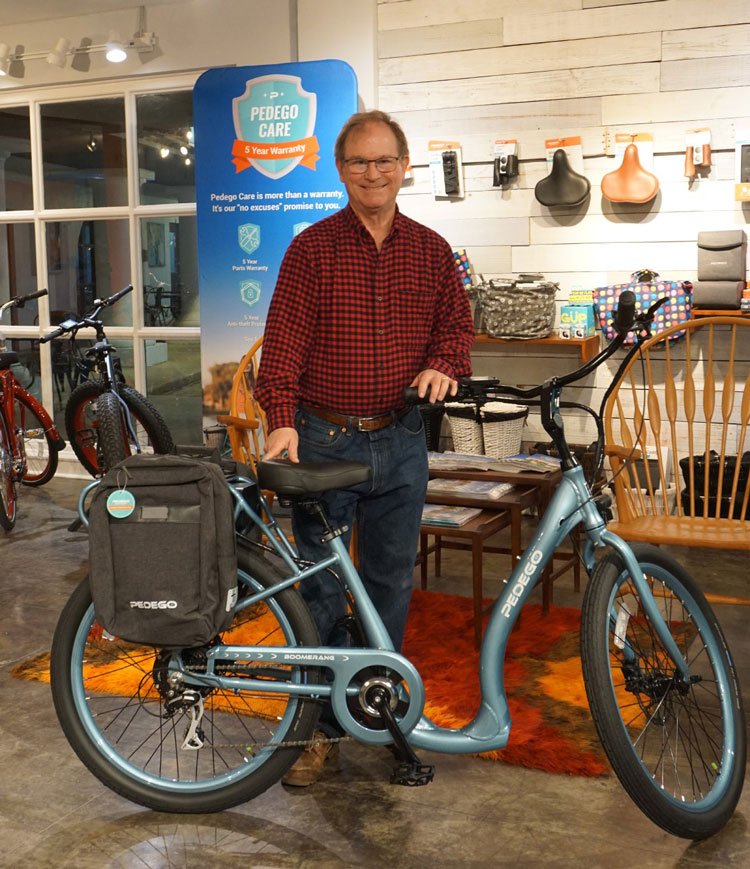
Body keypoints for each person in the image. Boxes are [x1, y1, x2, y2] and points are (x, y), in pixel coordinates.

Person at [255, 109, 474, 785]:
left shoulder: (433, 251)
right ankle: (317, 729)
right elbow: (283, 345)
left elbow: (456, 332)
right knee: (319, 589)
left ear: (405, 166)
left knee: (388, 583)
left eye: (384, 161)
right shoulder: (312, 249)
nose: (372, 173)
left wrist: (444, 363)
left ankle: (376, 705)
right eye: (358, 162)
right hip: (322, 440)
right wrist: (281, 419)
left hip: (403, 439)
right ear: (339, 170)